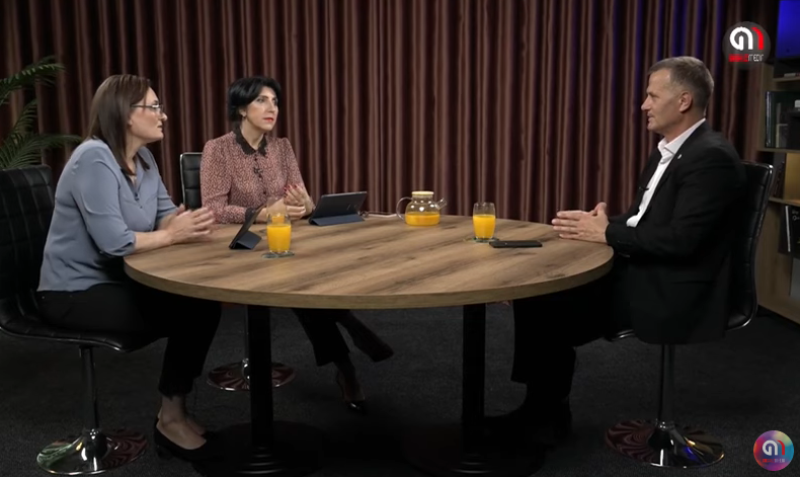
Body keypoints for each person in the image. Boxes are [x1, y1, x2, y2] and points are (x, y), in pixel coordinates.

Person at [491, 56, 746, 444]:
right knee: (537, 289)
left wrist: (608, 232)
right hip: (649, 266)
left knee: (546, 301)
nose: (643, 105)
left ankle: (545, 415)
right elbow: (645, 219)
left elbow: (681, 242)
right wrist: (607, 223)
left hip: (677, 287)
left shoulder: (711, 158)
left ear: (683, 101)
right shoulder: (670, 149)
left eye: (651, 96)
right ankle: (542, 410)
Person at [37, 74, 223, 462]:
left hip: (115, 280)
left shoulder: (145, 159)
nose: (164, 115)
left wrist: (183, 224)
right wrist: (171, 234)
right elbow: (115, 242)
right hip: (72, 292)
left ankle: (173, 412)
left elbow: (164, 214)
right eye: (154, 107)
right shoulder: (93, 158)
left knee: (203, 304)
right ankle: (170, 421)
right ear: (125, 114)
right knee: (190, 312)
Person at [200, 75, 393, 413]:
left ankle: (347, 357)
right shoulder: (218, 150)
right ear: (242, 109)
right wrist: (261, 214)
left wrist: (306, 205)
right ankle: (347, 356)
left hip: (284, 239)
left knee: (313, 274)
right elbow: (213, 209)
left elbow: (299, 199)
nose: (271, 108)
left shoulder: (282, 147)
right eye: (261, 100)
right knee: (301, 287)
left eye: (275, 101)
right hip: (241, 246)